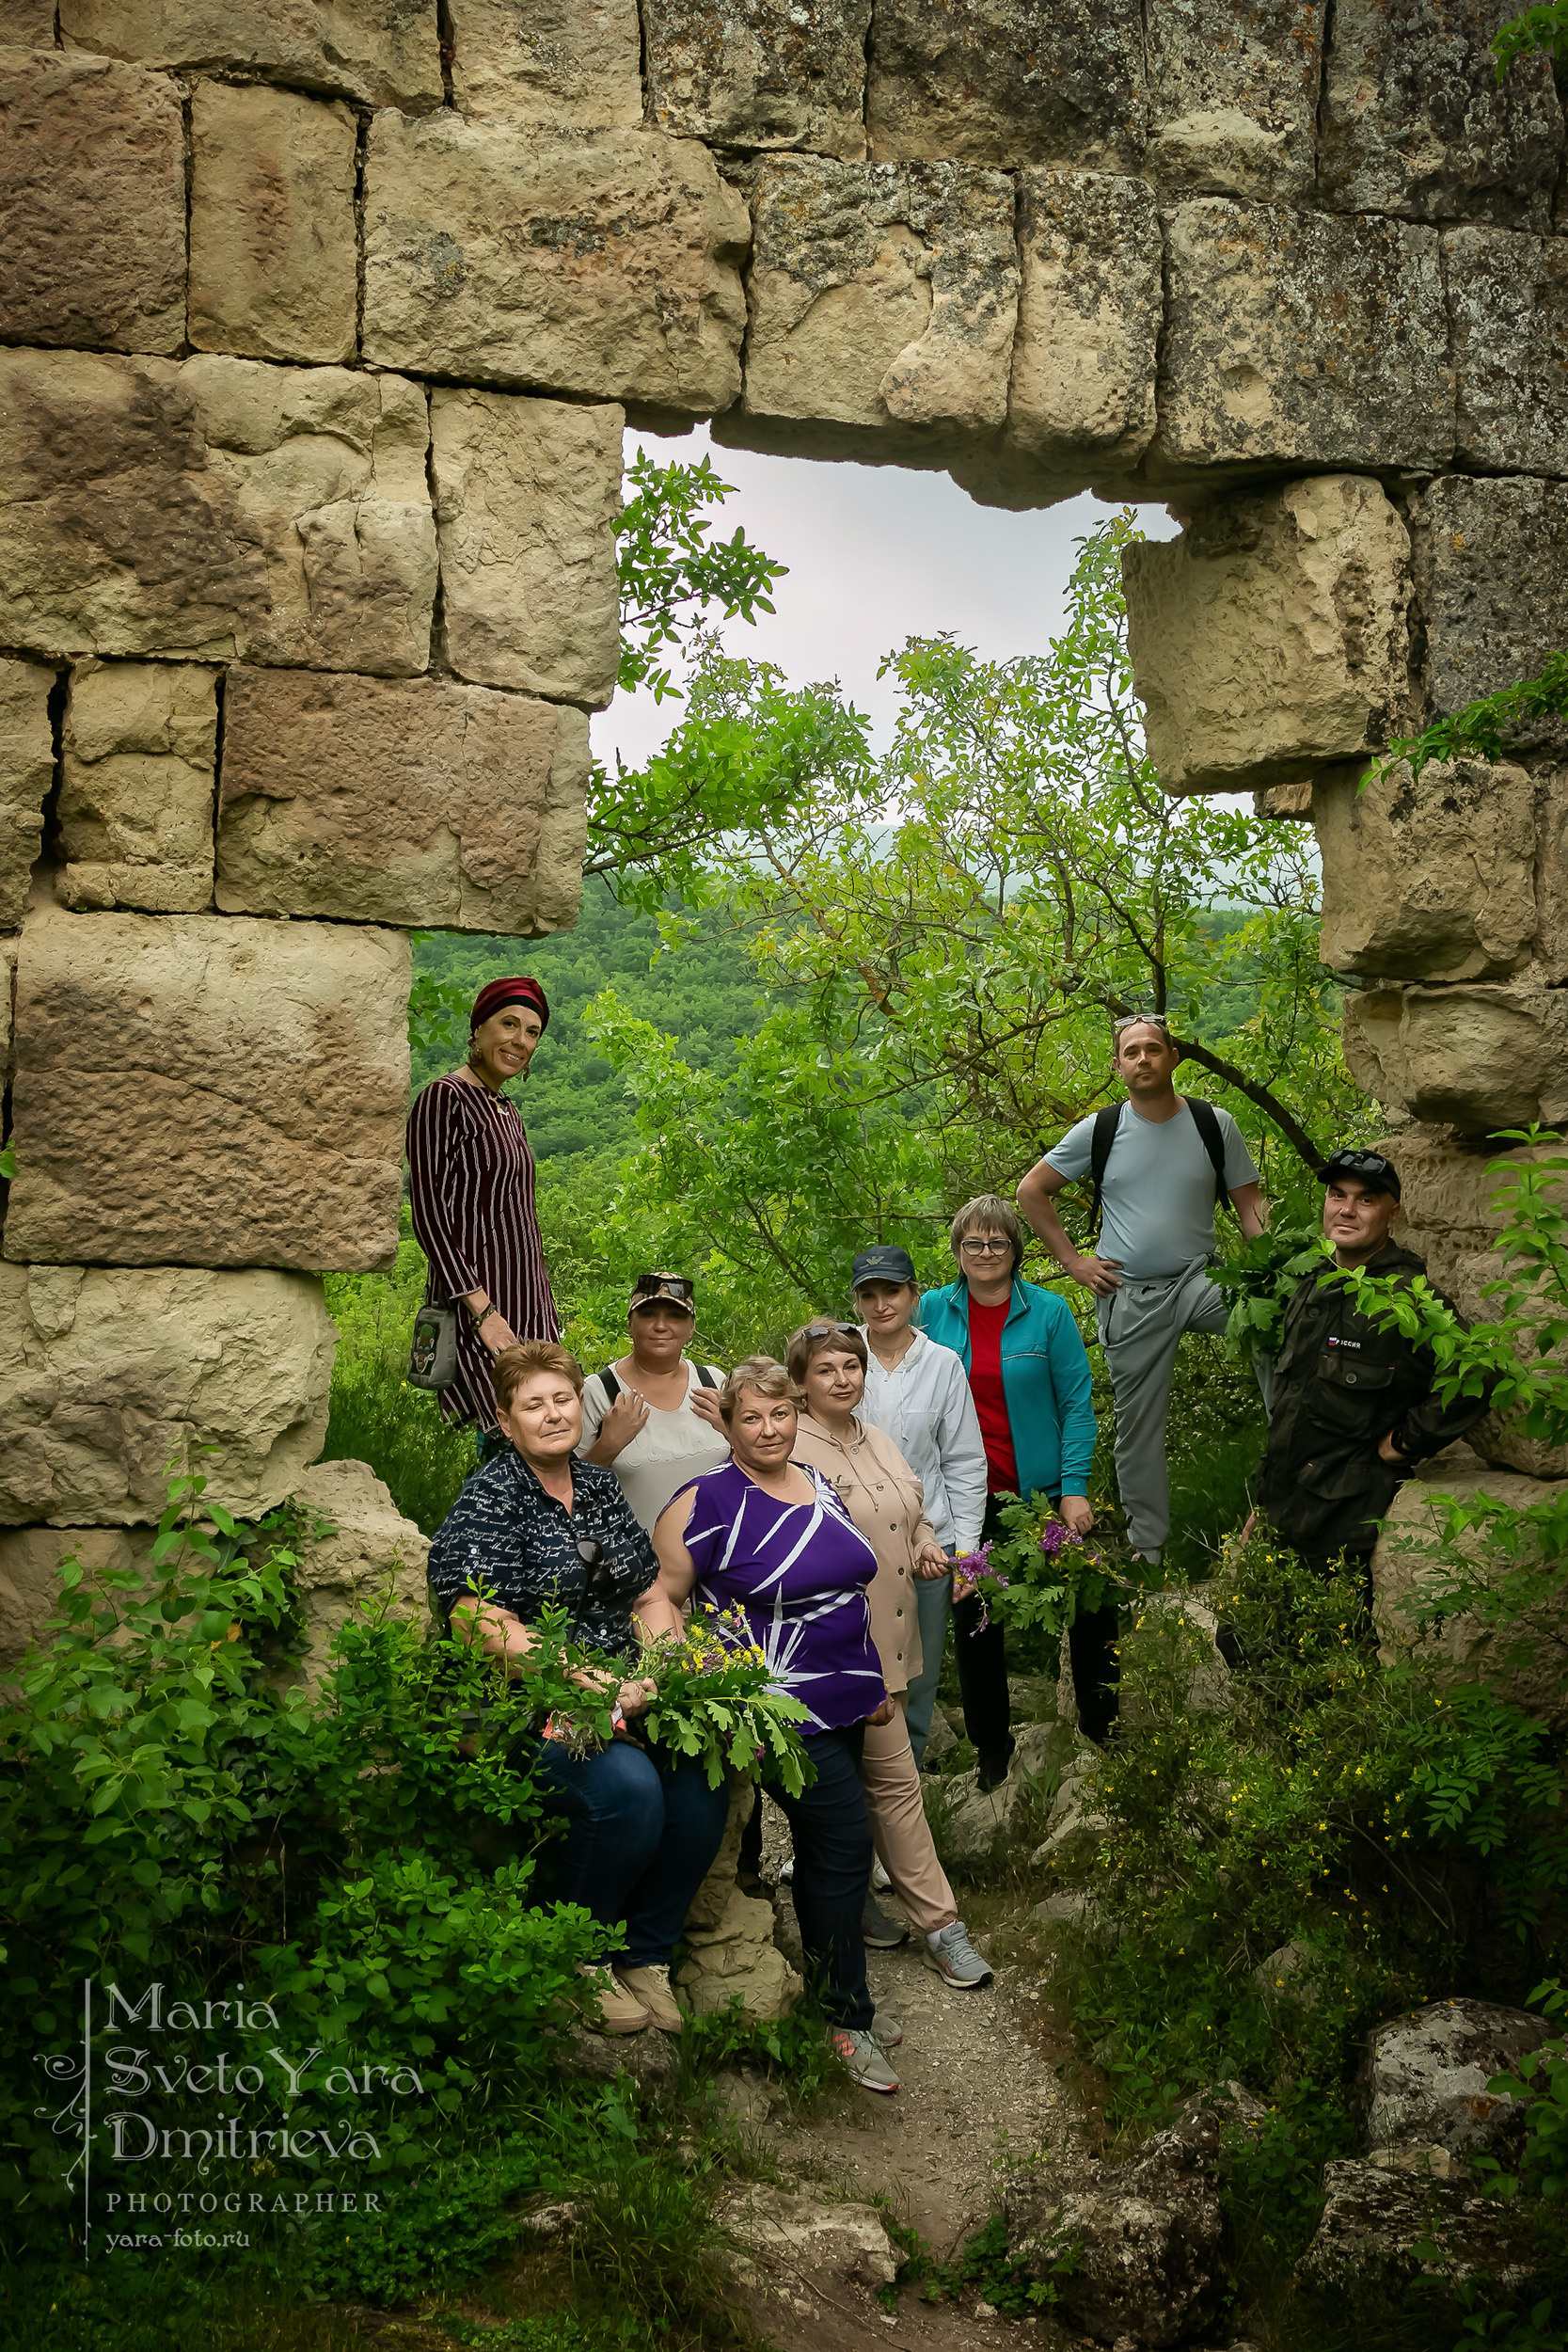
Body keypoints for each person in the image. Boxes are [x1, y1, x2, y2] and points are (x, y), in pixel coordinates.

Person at [427, 1340, 729, 2039]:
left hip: (625, 1689)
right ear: (506, 1421)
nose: (553, 1414)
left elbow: (649, 1593)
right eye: (533, 1405)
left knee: (700, 1775)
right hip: (531, 1703)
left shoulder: (597, 1488)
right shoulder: (491, 1497)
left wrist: (665, 1666)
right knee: (627, 1787)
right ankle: (581, 1957)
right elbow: (475, 1619)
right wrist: (575, 1676)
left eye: (562, 1399)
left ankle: (646, 1954)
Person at [649, 1359, 902, 2093]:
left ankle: (835, 1987)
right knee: (846, 1841)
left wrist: (872, 1683)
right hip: (776, 1708)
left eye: (781, 1414)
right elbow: (660, 1597)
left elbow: (844, 1592)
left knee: (833, 1853)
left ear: (797, 1414)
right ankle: (845, 2018)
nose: (768, 1430)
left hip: (845, 1695)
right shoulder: (703, 1501)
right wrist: (693, 1679)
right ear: (726, 1424)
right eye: (752, 1417)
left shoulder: (816, 1480)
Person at [1017, 1014, 1268, 1569]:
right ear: (1117, 1066)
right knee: (1137, 1430)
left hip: (1201, 1280)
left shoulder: (1213, 1123)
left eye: (1153, 1049)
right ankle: (1147, 1551)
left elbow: (1250, 1206)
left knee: (1277, 1325)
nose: (1143, 1059)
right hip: (1130, 1292)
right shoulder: (1101, 1130)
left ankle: (1288, 1478)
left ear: (1173, 1058)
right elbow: (1032, 1190)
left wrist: (1278, 1270)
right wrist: (1073, 1261)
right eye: (1131, 1052)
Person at [789, 1319, 994, 1989]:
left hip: (894, 1643)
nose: (842, 1379)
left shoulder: (876, 1438)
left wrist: (927, 1542)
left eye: (851, 1366)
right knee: (887, 1787)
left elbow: (912, 1512)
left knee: (867, 1787)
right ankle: (940, 1926)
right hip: (838, 1653)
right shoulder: (792, 1446)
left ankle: (855, 1908)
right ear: (800, 1382)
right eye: (825, 1369)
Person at [917, 1199, 1098, 1779]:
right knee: (975, 1615)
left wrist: (1074, 1487)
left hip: (1041, 1493)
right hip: (965, 1497)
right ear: (957, 1251)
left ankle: (1102, 1730)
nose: (986, 1253)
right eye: (973, 1243)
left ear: (1016, 1250)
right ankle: (991, 1748)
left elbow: (1077, 1406)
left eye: (997, 1242)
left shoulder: (1048, 1312)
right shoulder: (932, 1310)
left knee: (1088, 1601)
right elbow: (889, 1370)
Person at [1255, 1149, 1494, 1587]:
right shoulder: (1313, 1286)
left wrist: (1406, 1441)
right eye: (1337, 1195)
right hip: (1283, 1513)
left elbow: (1479, 1373)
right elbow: (1291, 1406)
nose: (1346, 1210)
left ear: (1392, 1214)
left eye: (1365, 1199)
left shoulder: (1409, 1299)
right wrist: (1262, 1503)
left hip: (1345, 1528)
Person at [407, 976, 560, 1461]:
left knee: (541, 1445)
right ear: (478, 1029)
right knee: (513, 1443)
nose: (520, 1040)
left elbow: (516, 1218)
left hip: (526, 1304)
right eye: (509, 1024)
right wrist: (484, 1313)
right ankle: (480, 1516)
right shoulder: (444, 1099)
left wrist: (545, 1311)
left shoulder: (506, 1109)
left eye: (532, 1032)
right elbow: (429, 1215)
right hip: (478, 1307)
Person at [853, 1244, 988, 1772]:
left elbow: (964, 1460)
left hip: (929, 1545)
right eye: (869, 1294)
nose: (881, 1304)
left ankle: (906, 1788)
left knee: (919, 1671)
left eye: (892, 1291)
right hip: (854, 1541)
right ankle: (858, 1790)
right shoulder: (841, 1358)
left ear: (914, 1295)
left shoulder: (942, 1364)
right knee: (859, 1664)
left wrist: (967, 1552)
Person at [578, 1273, 730, 1534]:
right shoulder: (599, 1391)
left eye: (675, 1315)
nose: (661, 1326)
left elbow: (755, 1467)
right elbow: (568, 1489)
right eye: (648, 1314)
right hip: (634, 1555)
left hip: (719, 1552)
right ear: (630, 1325)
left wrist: (733, 1433)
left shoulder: (713, 1381)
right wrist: (608, 1446)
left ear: (691, 1328)